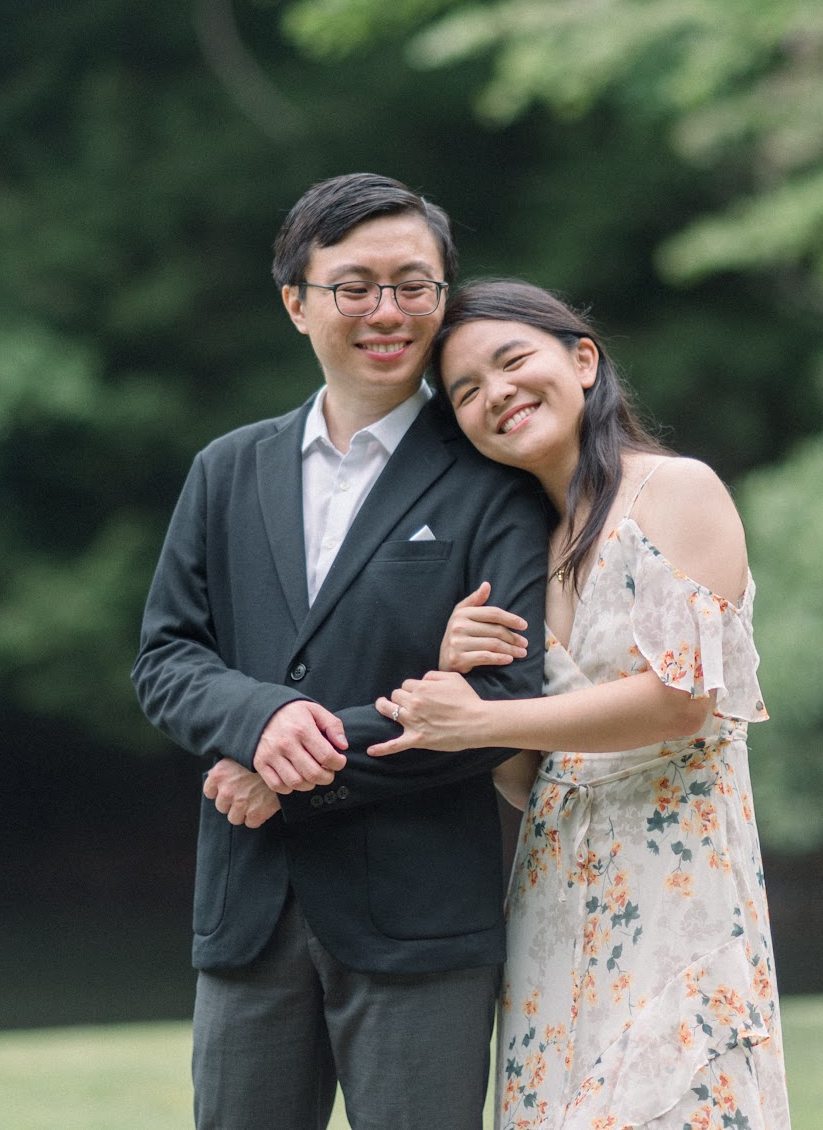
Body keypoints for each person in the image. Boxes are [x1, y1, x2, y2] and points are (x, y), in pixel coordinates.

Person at [131, 175, 552, 1130]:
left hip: (422, 921)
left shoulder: (495, 475)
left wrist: (295, 771)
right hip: (248, 908)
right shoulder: (226, 468)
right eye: (354, 286)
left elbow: (503, 702)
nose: (387, 312)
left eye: (415, 285)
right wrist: (263, 722)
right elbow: (167, 656)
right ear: (297, 302)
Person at [370, 280, 792, 1130]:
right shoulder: (524, 544)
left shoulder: (673, 491)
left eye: (512, 360)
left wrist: (480, 721)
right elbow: (537, 780)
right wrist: (467, 675)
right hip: (553, 904)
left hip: (677, 896)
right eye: (466, 393)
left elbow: (681, 703)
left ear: (583, 360)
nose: (497, 394)